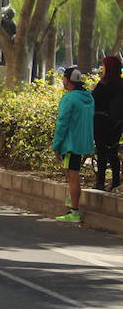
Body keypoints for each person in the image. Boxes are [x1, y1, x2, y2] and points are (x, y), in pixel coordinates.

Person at [53, 67, 95, 222]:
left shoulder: (69, 99)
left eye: (63, 78)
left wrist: (56, 145)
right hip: (84, 143)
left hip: (70, 145)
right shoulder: (89, 97)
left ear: (67, 80)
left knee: (72, 176)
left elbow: (62, 123)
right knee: (72, 173)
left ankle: (74, 212)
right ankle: (71, 204)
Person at [92, 55, 123, 191]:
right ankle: (116, 181)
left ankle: (100, 182)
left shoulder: (103, 84)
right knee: (113, 152)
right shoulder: (121, 84)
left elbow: (94, 101)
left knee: (102, 152)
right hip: (117, 123)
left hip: (101, 122)